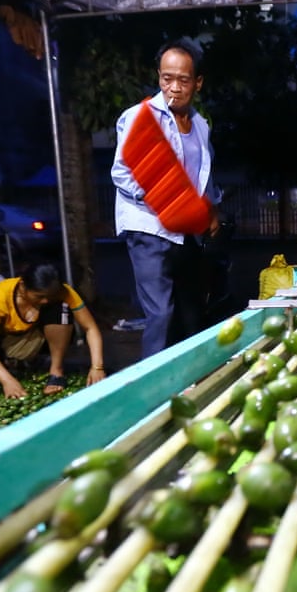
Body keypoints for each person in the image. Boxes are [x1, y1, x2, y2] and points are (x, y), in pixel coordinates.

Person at [111, 37, 221, 360]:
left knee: (190, 311)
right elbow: (121, 173)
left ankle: (187, 378)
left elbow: (202, 174)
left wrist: (211, 208)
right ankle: (153, 390)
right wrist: (164, 197)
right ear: (159, 77)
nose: (174, 87)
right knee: (160, 313)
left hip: (185, 230)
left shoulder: (200, 126)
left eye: (183, 80)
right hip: (148, 227)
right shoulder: (139, 117)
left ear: (197, 83)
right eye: (166, 78)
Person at [0, 263, 106, 398]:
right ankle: (10, 364)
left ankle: (56, 370)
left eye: (50, 295)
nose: (45, 300)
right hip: (8, 342)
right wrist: (7, 381)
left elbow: (90, 328)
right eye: (38, 296)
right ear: (22, 286)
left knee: (58, 305)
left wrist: (97, 367)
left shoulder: (62, 293)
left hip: (50, 338)